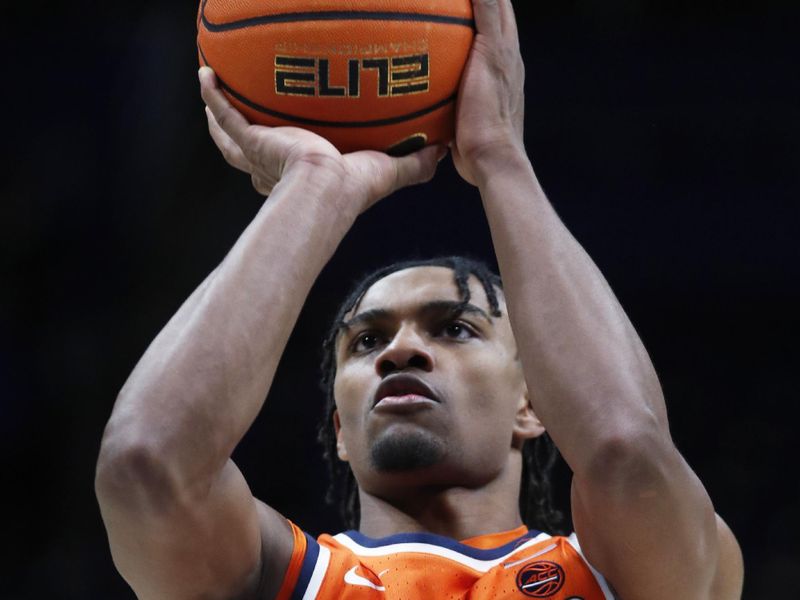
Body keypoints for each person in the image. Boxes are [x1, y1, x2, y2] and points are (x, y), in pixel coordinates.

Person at [95, 0, 744, 598]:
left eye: (455, 328)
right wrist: (317, 185)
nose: (400, 349)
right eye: (366, 341)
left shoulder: (621, 571)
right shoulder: (278, 579)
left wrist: (499, 157)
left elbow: (628, 448)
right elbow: (144, 465)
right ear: (340, 429)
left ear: (532, 402)